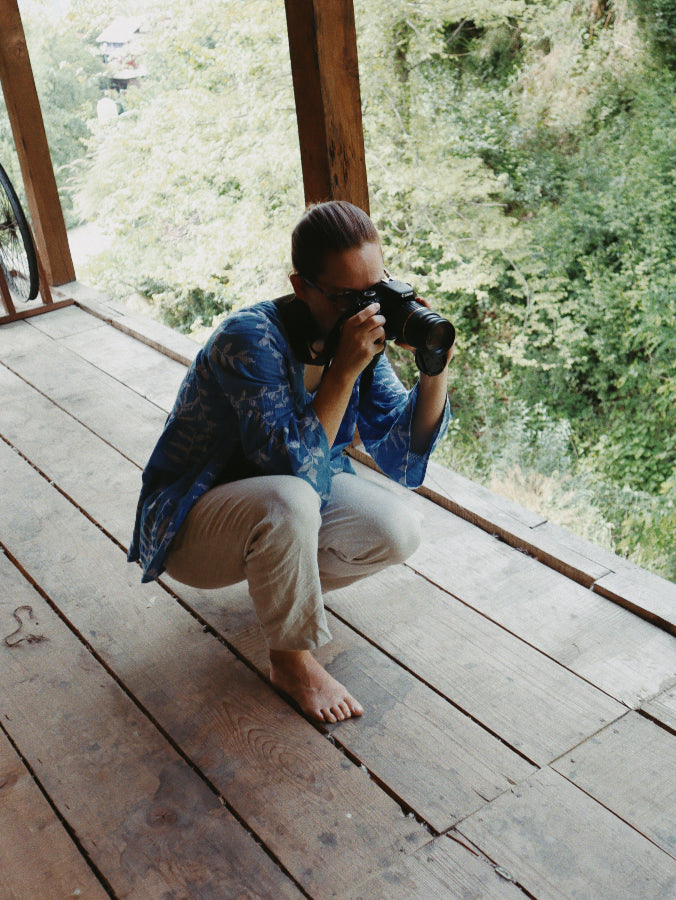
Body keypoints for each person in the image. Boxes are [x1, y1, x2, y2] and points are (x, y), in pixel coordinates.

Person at [128, 200, 453, 724]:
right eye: (350, 296)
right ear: (302, 286)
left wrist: (433, 368)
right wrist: (342, 372)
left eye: (377, 288)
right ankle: (291, 660)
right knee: (291, 497)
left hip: (279, 510)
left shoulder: (356, 339)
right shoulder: (250, 338)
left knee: (399, 528)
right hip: (193, 524)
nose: (368, 308)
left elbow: (400, 457)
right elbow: (290, 469)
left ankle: (280, 596)